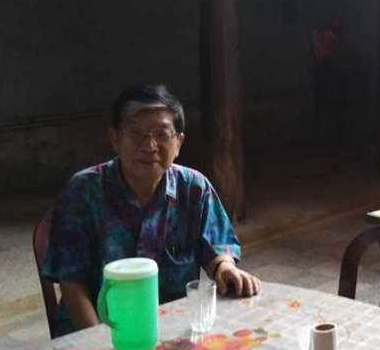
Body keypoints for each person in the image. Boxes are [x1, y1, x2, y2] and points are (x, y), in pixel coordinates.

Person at [42, 83, 261, 336]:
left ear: (178, 143)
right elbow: (72, 283)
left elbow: (217, 248)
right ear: (115, 139)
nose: (149, 145)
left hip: (167, 330)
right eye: (136, 133)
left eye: (162, 134)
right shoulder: (83, 191)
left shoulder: (194, 188)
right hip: (94, 331)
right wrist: (98, 343)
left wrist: (225, 267)